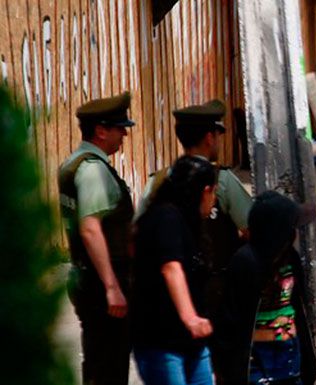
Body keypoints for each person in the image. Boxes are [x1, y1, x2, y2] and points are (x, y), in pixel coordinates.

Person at [136, 99, 252, 384]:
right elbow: (252, 226)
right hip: (209, 298)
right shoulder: (221, 180)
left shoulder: (158, 181)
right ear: (210, 136)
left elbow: (135, 233)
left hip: (172, 307)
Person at [58, 92, 136, 385]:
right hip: (103, 280)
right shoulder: (93, 171)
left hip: (85, 275)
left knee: (98, 361)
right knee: (109, 365)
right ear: (101, 131)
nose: (124, 134)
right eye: (119, 128)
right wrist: (112, 287)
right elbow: (90, 228)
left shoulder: (74, 163)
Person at [132, 156, 218, 385]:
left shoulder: (187, 221)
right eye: (214, 193)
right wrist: (190, 318)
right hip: (163, 342)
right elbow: (171, 268)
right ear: (205, 191)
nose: (215, 200)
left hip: (193, 343)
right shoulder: (166, 217)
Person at [216, 191, 316, 385]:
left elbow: (299, 308)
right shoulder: (245, 261)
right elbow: (231, 320)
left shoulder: (291, 258)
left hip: (290, 355)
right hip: (257, 360)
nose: (295, 233)